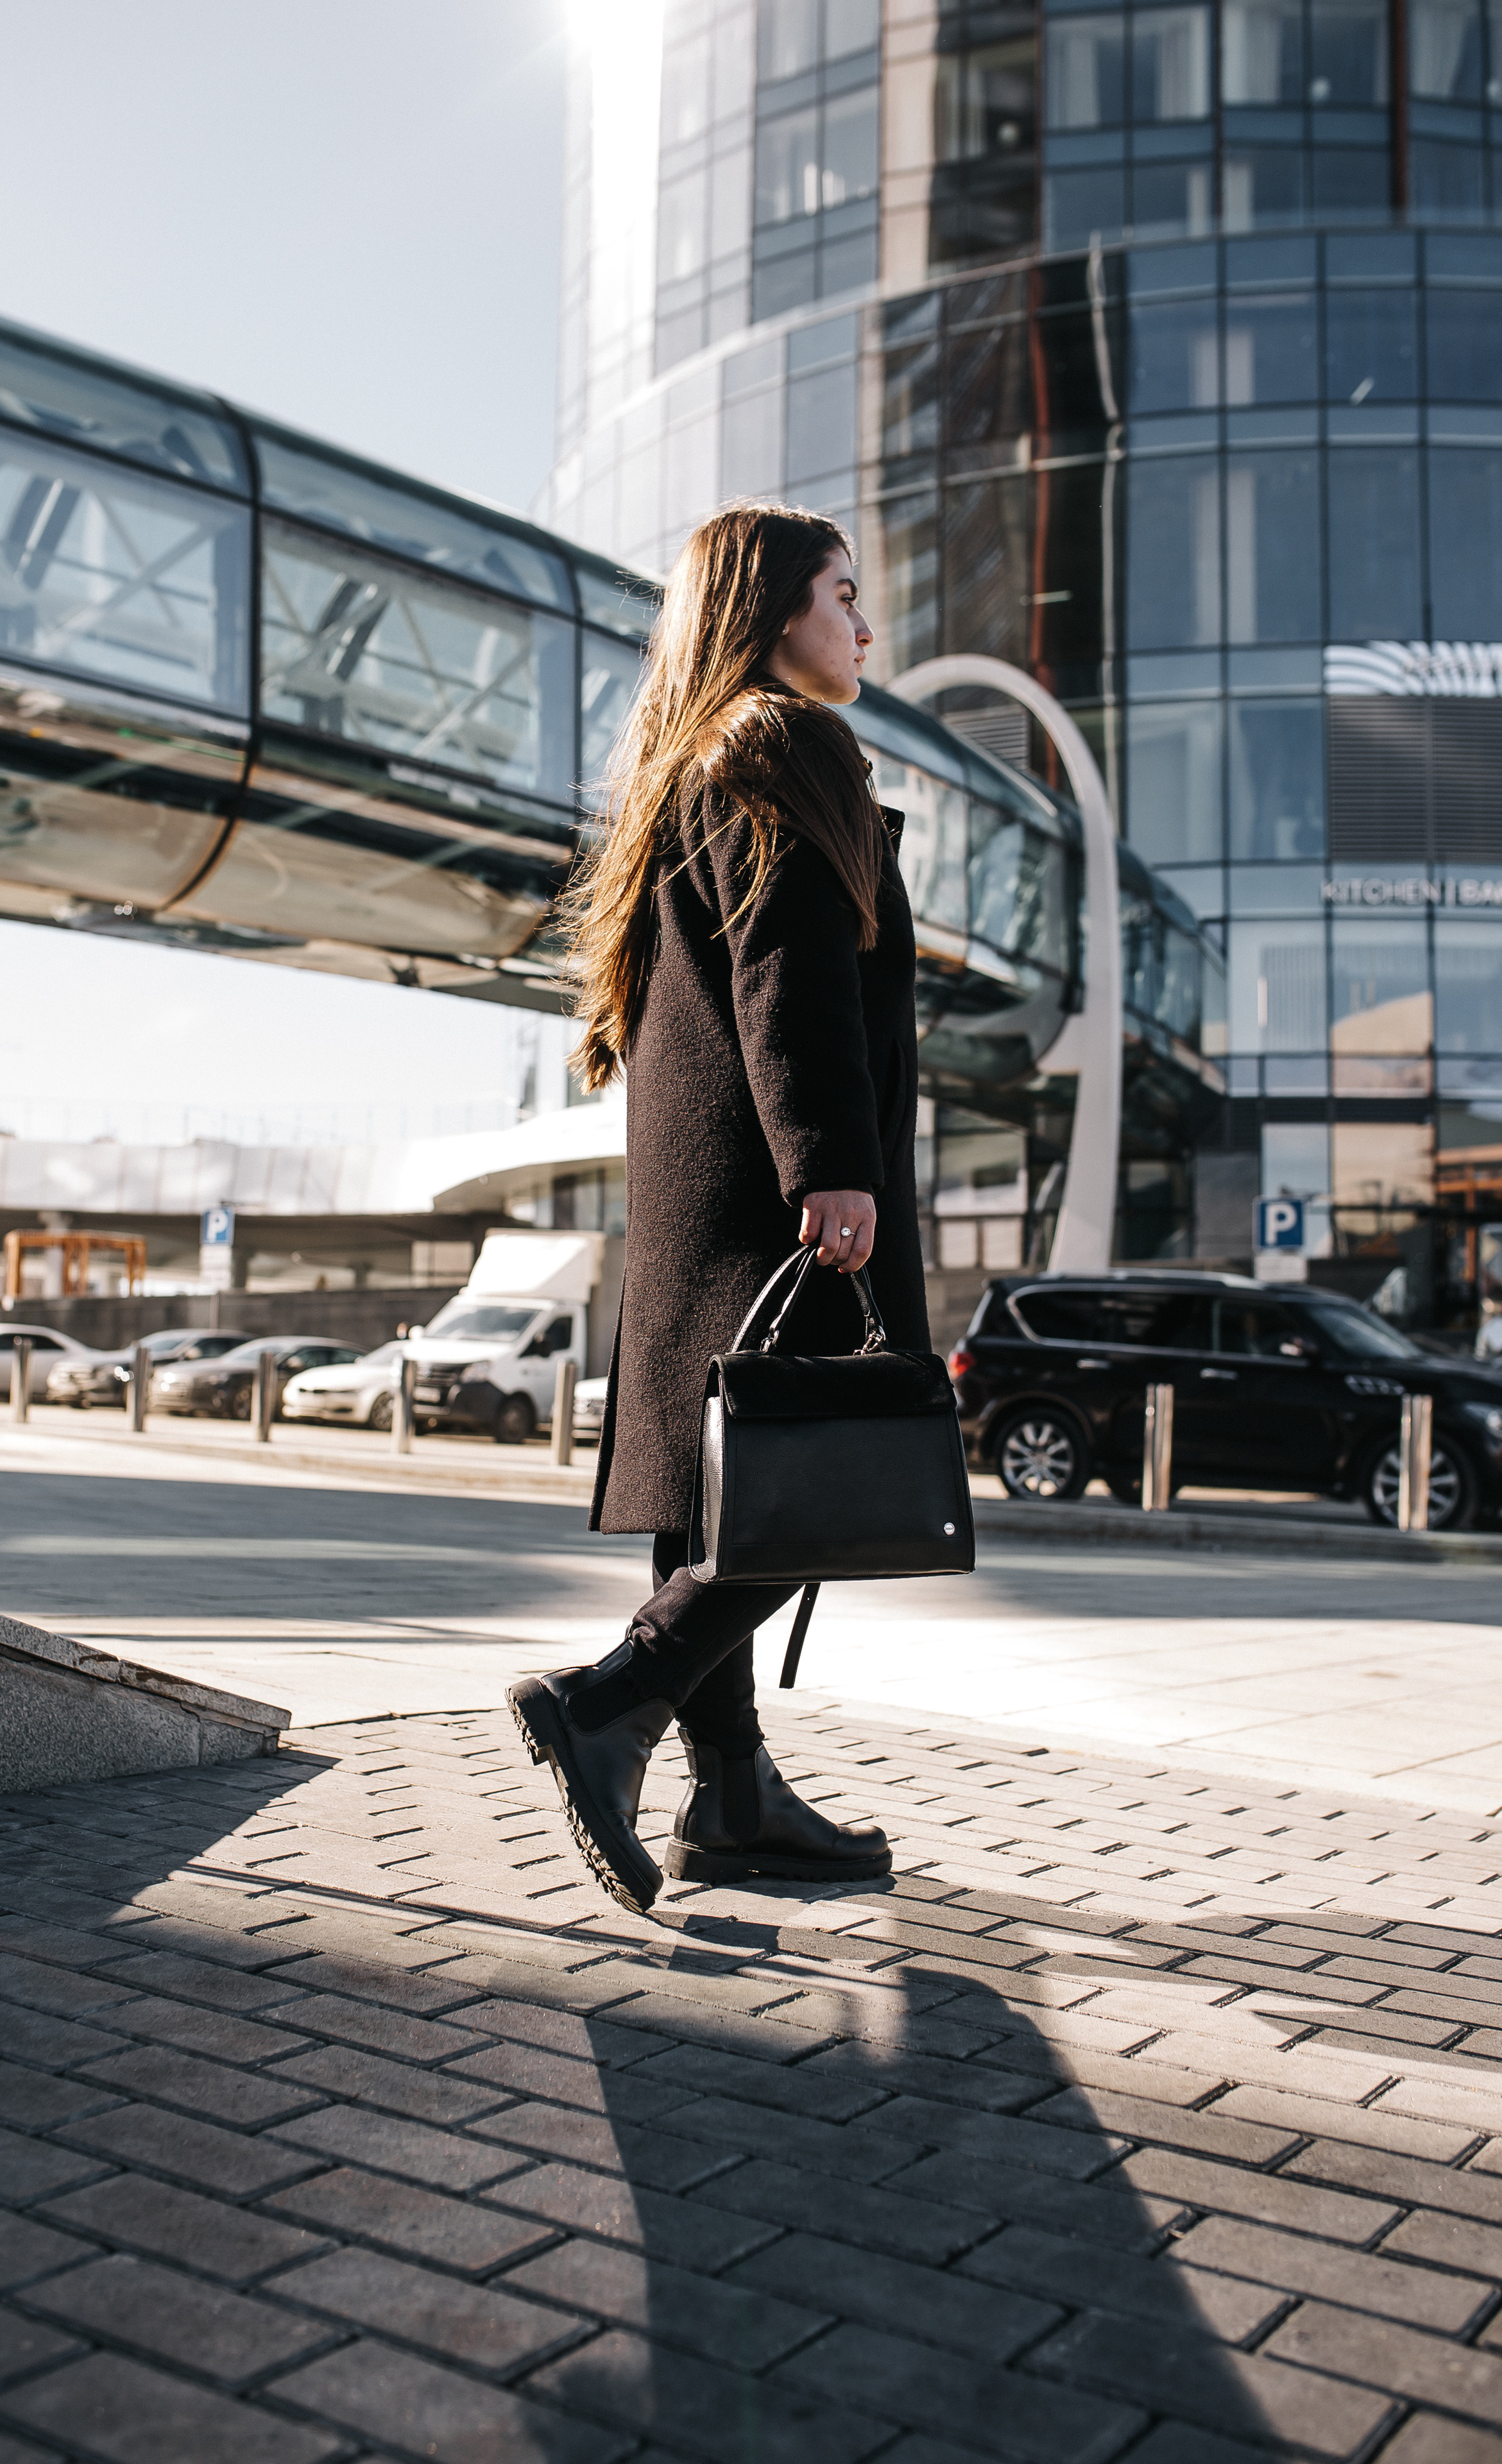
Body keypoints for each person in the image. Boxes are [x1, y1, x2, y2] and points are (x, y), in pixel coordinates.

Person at [507, 502, 928, 1913]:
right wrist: (830, 1162)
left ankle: (733, 1798)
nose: (863, 624)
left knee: (719, 1488)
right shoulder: (781, 741)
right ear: (769, 608)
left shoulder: (686, 766)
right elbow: (788, 964)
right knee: (816, 1480)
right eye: (841, 593)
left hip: (707, 1191)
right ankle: (605, 1706)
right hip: (775, 1189)